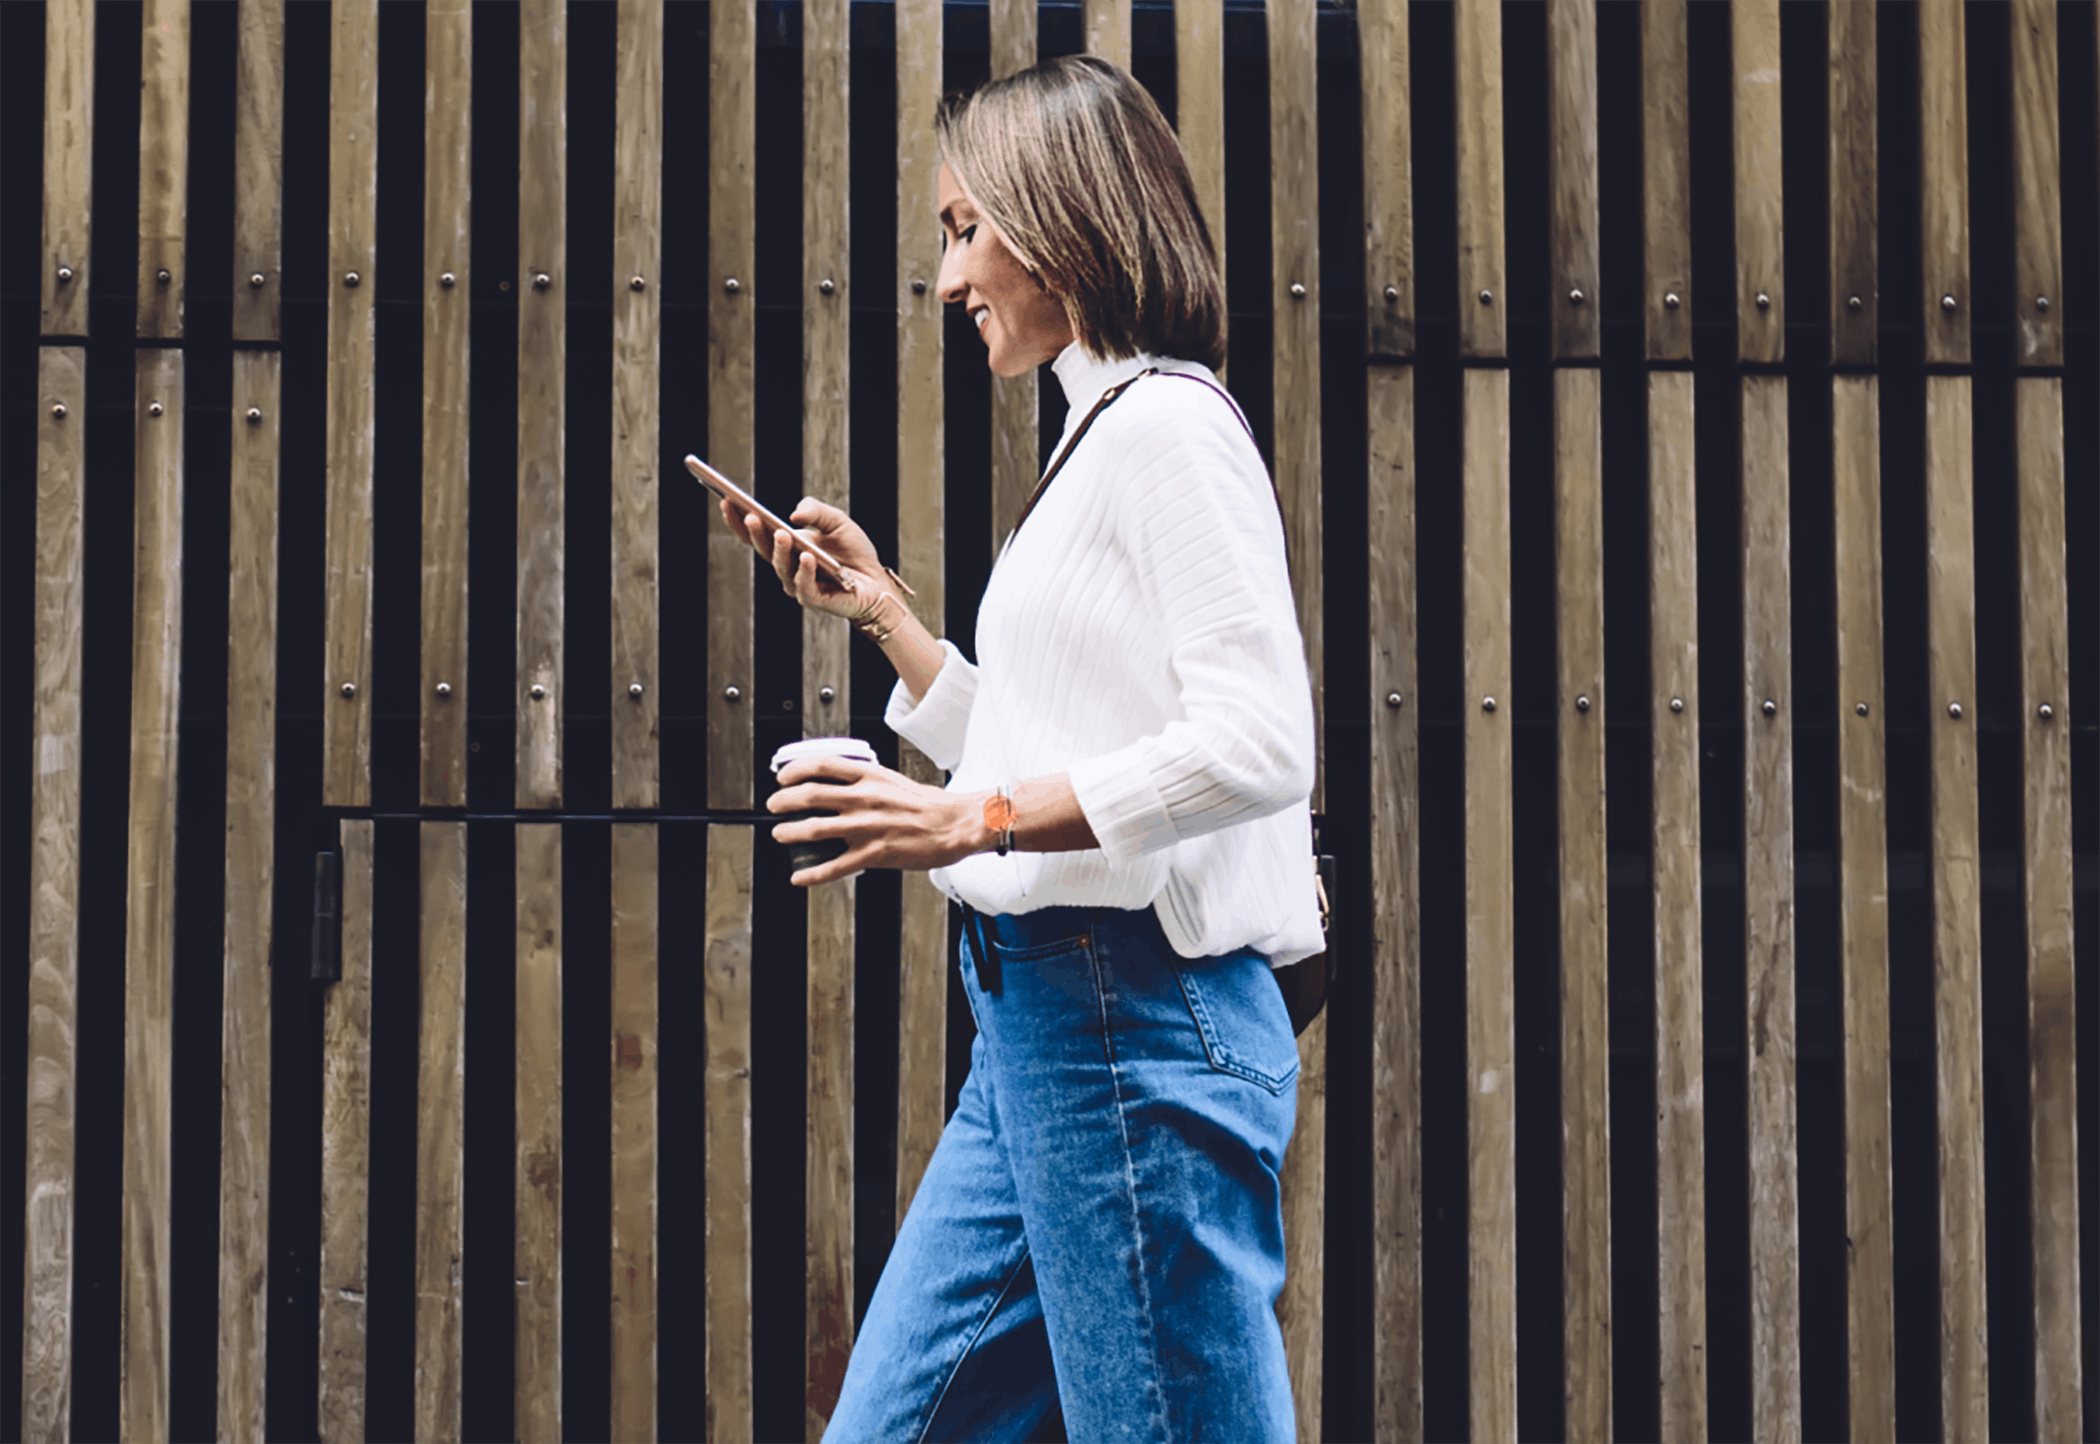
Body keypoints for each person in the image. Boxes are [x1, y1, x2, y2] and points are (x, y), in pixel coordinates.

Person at [718, 53, 1320, 1444]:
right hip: (1041, 1036)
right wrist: (895, 628)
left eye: (965, 229)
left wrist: (963, 819)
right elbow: (1081, 737)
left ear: (1065, 217)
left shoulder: (1166, 429)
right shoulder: (1101, 434)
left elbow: (1255, 740)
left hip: (1130, 1024)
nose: (948, 280)